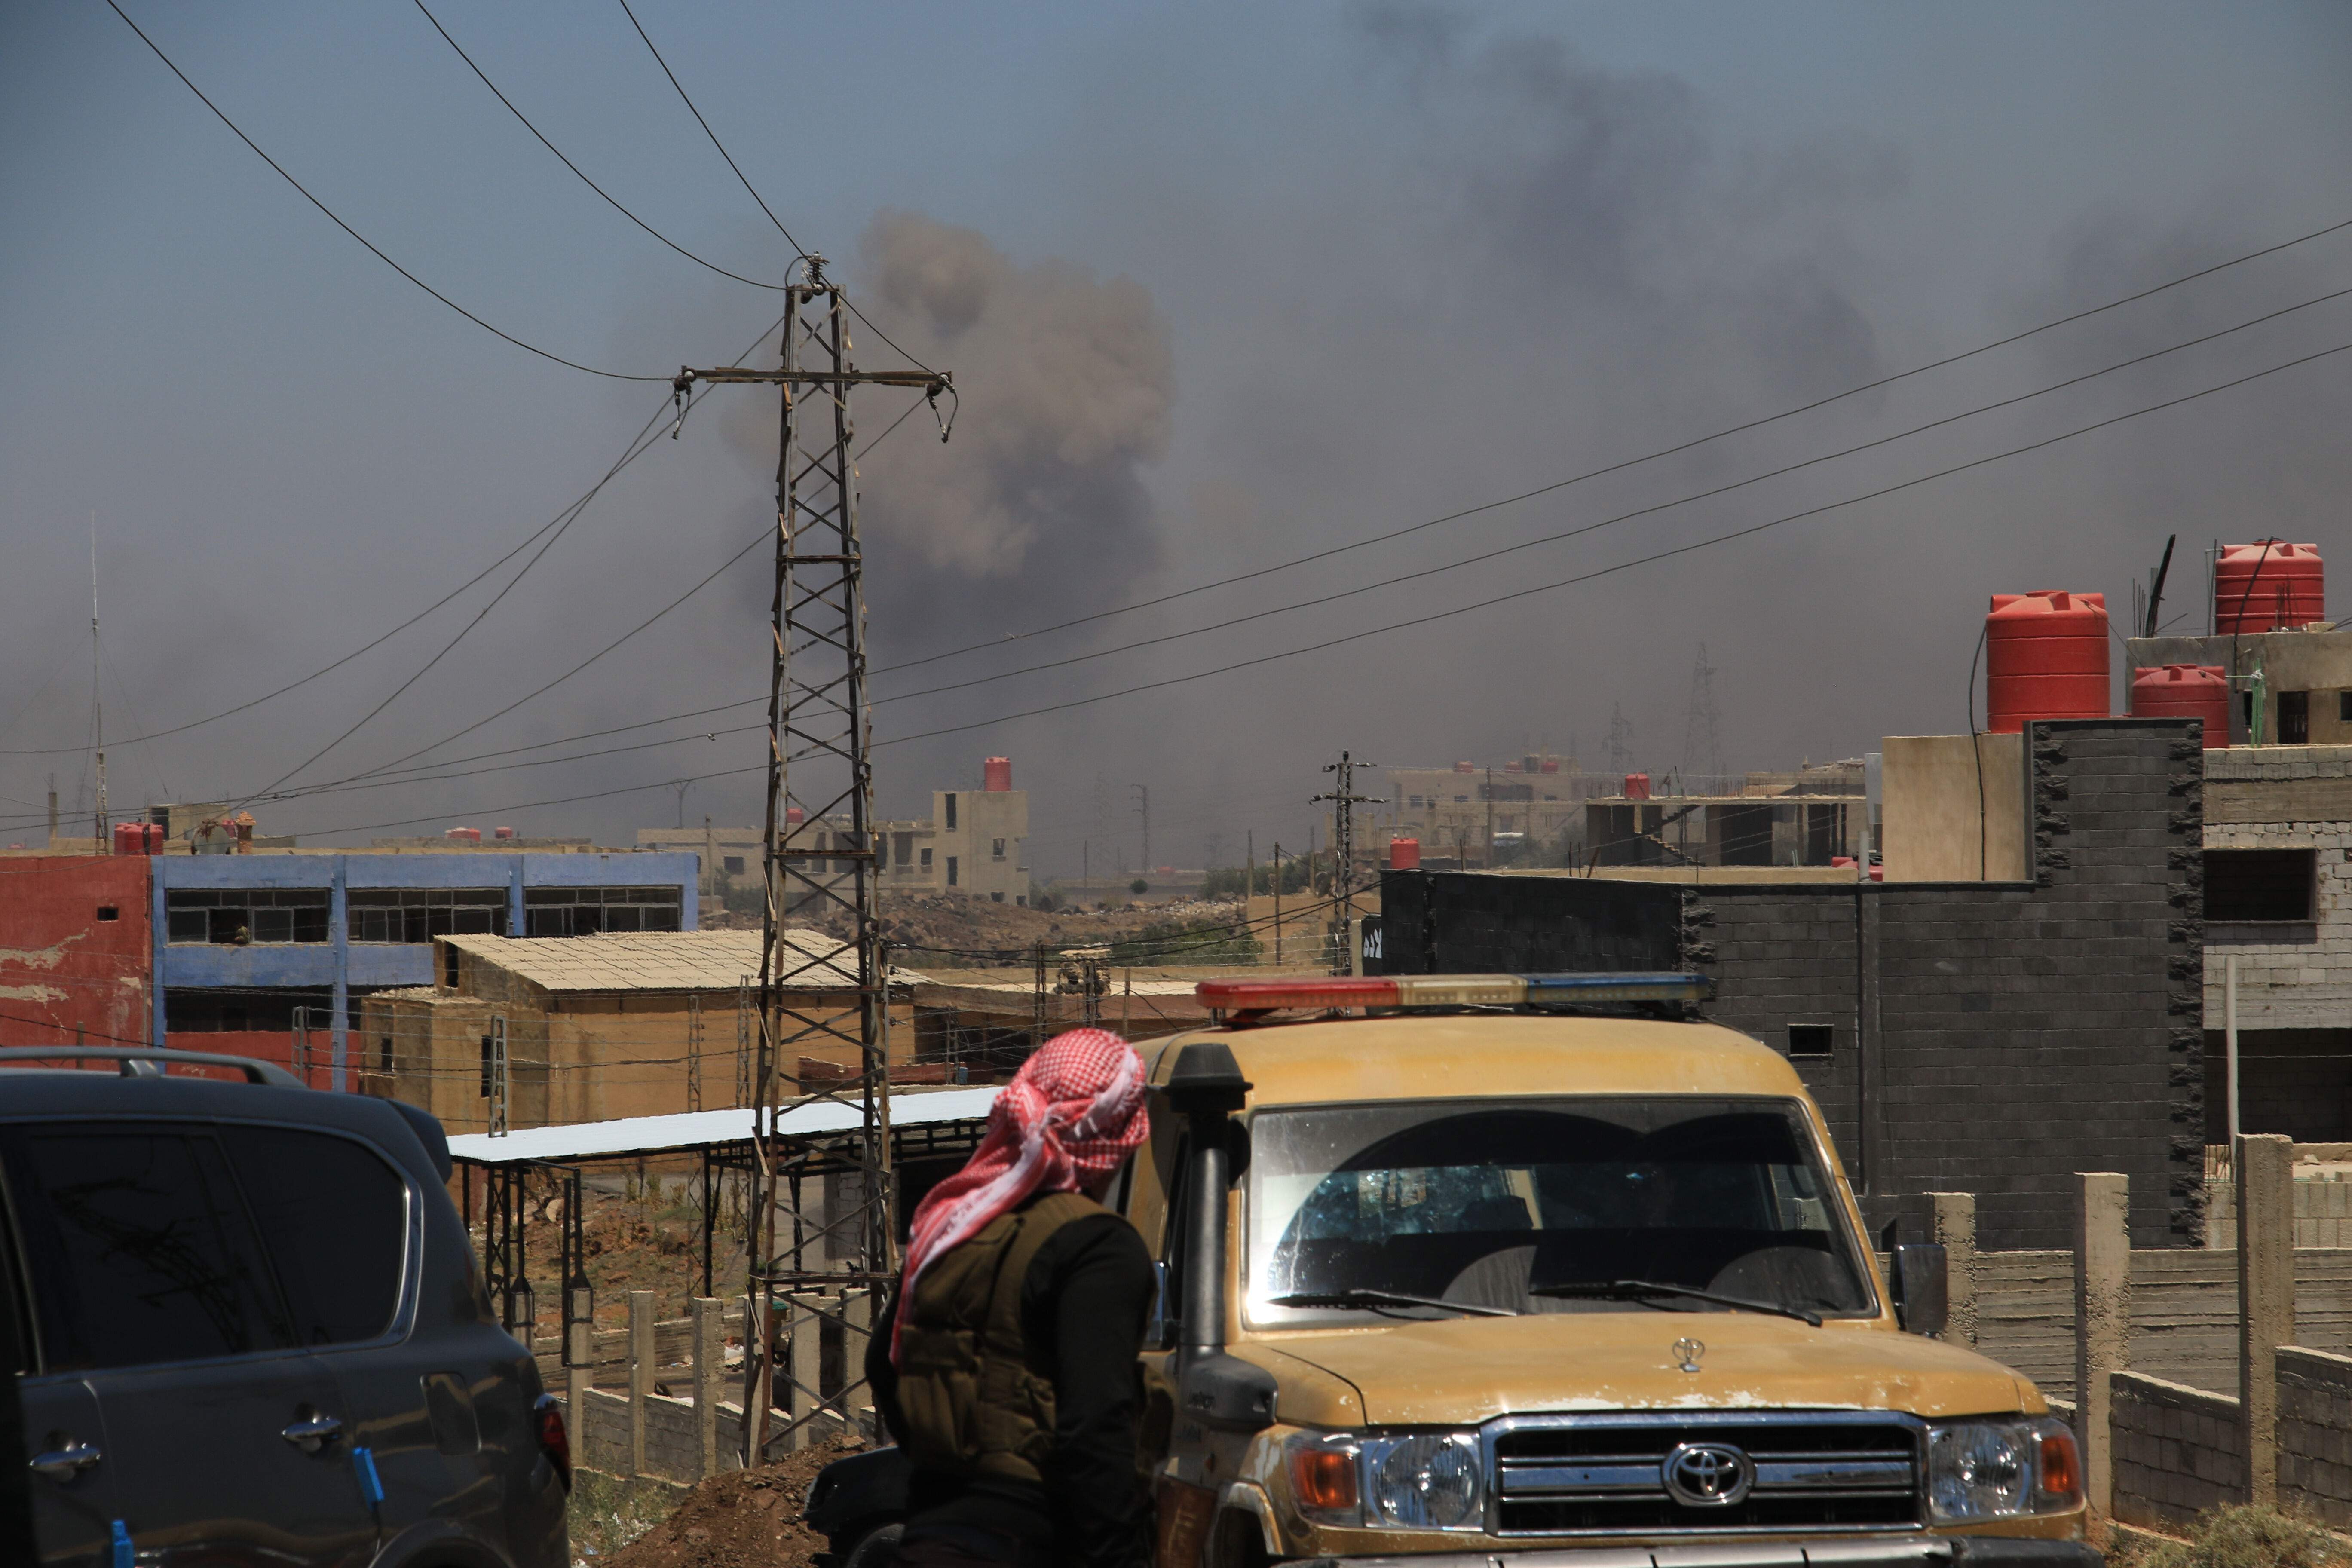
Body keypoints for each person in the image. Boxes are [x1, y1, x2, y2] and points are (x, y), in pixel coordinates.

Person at [867, 1028, 1156, 1568]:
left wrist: (949, 1454)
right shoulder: (1098, 1245)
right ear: (1121, 1134)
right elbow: (1095, 1431)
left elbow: (885, 1364)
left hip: (929, 1535)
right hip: (1031, 1541)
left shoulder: (955, 1223)